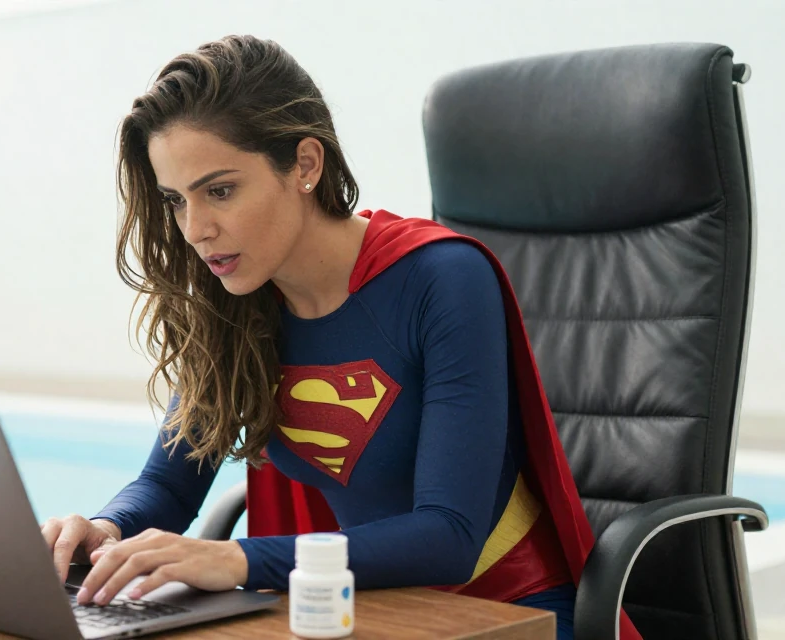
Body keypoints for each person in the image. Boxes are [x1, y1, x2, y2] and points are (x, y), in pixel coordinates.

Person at [39, 34, 640, 640]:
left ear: (305, 164)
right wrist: (105, 529)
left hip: (506, 613)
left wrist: (239, 560)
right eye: (176, 200)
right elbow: (170, 482)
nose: (195, 229)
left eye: (219, 191)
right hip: (359, 612)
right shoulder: (238, 301)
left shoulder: (443, 278)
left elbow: (450, 534)